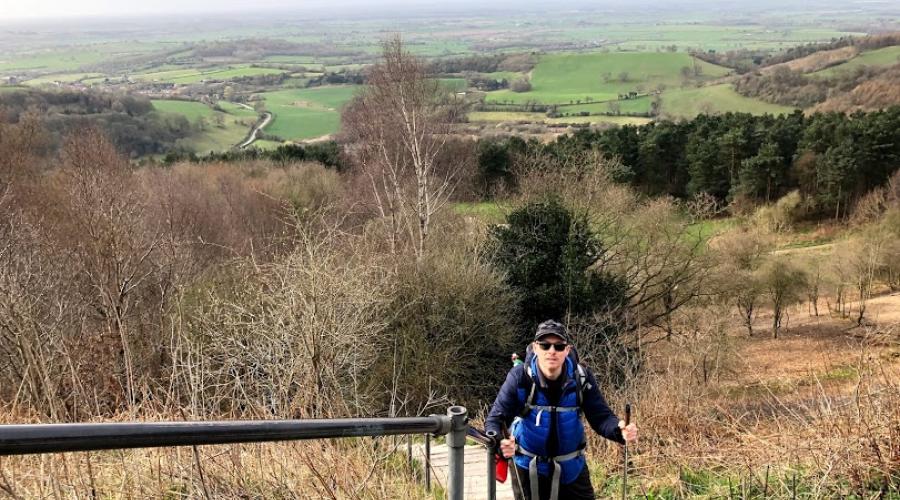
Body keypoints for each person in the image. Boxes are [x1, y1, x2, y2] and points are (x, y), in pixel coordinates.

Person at [485, 320, 638, 500]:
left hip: (571, 467)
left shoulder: (581, 377)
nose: (552, 351)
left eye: (558, 346)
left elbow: (601, 417)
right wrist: (500, 441)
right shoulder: (520, 377)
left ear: (567, 350)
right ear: (535, 348)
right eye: (545, 345)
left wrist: (619, 429)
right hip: (529, 466)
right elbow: (495, 419)